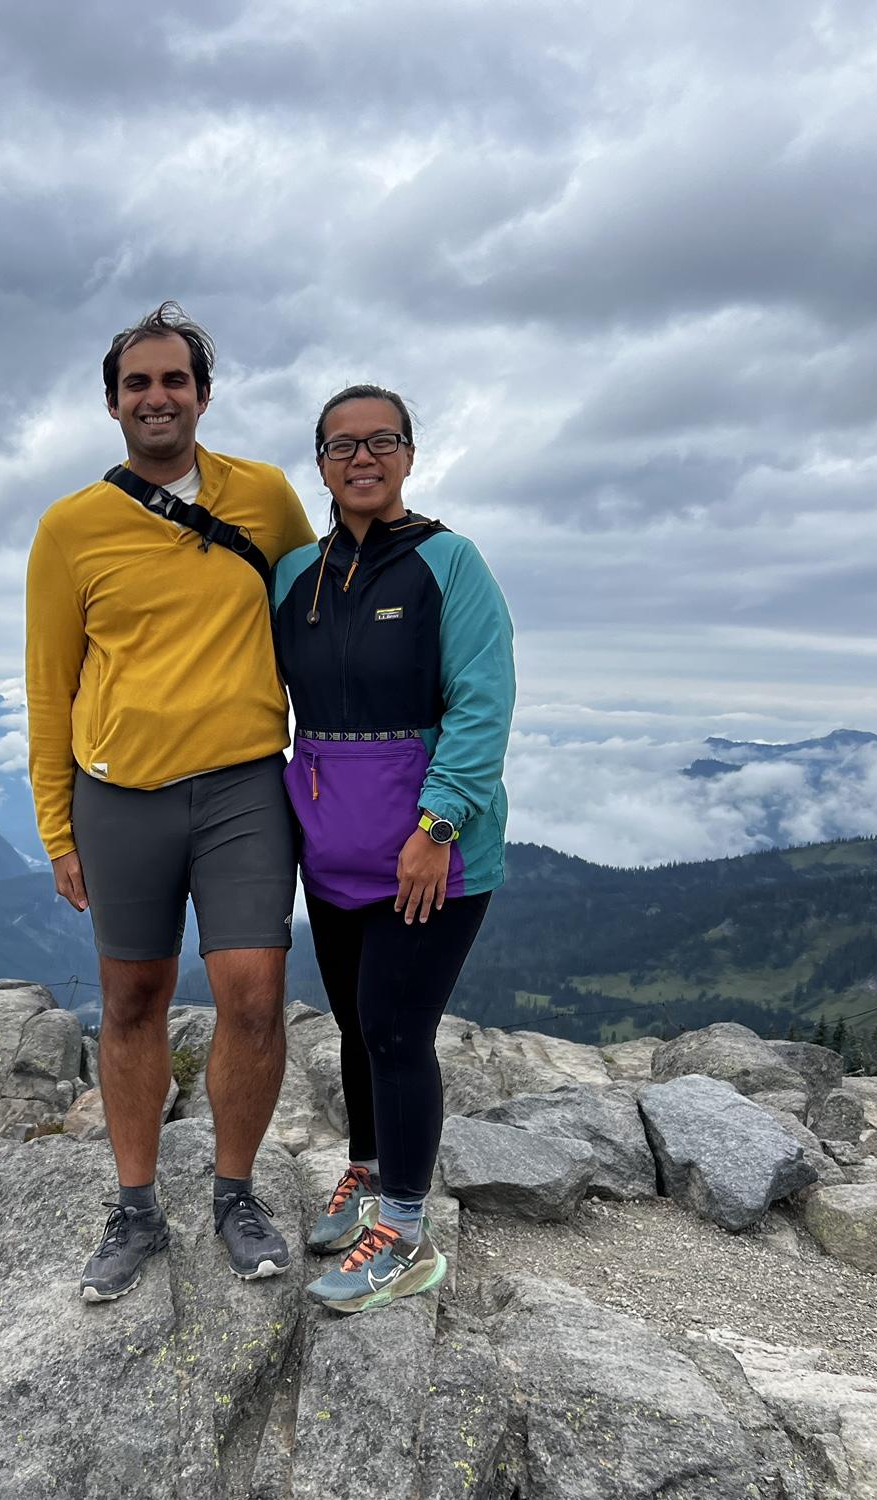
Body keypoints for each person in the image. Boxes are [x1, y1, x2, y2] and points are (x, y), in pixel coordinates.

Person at [26, 302, 317, 1302]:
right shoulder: (70, 529)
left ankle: (234, 1195)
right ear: (113, 404)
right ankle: (137, 1207)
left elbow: (317, 624)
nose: (158, 397)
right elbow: (49, 685)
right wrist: (57, 827)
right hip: (120, 797)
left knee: (251, 995)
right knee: (133, 1000)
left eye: (174, 380)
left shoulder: (268, 499)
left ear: (202, 392)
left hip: (243, 784)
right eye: (138, 383)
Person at [271, 384, 514, 1314]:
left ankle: (406, 1232)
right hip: (333, 850)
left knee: (399, 1031)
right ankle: (368, 1176)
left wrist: (437, 829)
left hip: (429, 854)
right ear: (321, 463)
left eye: (382, 441)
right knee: (356, 1028)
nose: (361, 458)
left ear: (410, 455)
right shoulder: (298, 574)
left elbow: (483, 705)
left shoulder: (452, 564)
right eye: (341, 445)